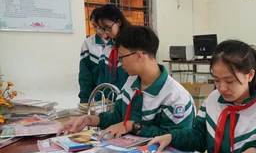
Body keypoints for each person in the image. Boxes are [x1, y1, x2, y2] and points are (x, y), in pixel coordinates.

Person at [148, 40, 256, 153]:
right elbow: (199, 137)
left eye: (229, 81)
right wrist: (172, 137)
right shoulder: (213, 99)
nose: (222, 87)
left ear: (250, 75)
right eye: (216, 80)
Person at [58, 26, 194, 138]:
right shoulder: (132, 81)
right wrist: (89, 119)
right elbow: (117, 117)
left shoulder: (175, 96)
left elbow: (176, 138)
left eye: (122, 57)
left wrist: (132, 126)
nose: (120, 62)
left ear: (139, 56)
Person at [78, 6, 114, 103]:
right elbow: (85, 76)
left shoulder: (118, 43)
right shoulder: (88, 44)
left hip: (116, 96)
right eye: (94, 26)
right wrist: (85, 101)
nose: (98, 30)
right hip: (97, 98)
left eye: (101, 26)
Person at [95, 4, 132, 93]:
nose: (106, 32)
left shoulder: (131, 46)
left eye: (108, 28)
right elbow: (102, 80)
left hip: (128, 101)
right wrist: (98, 100)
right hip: (110, 101)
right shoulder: (108, 48)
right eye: (103, 29)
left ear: (118, 22)